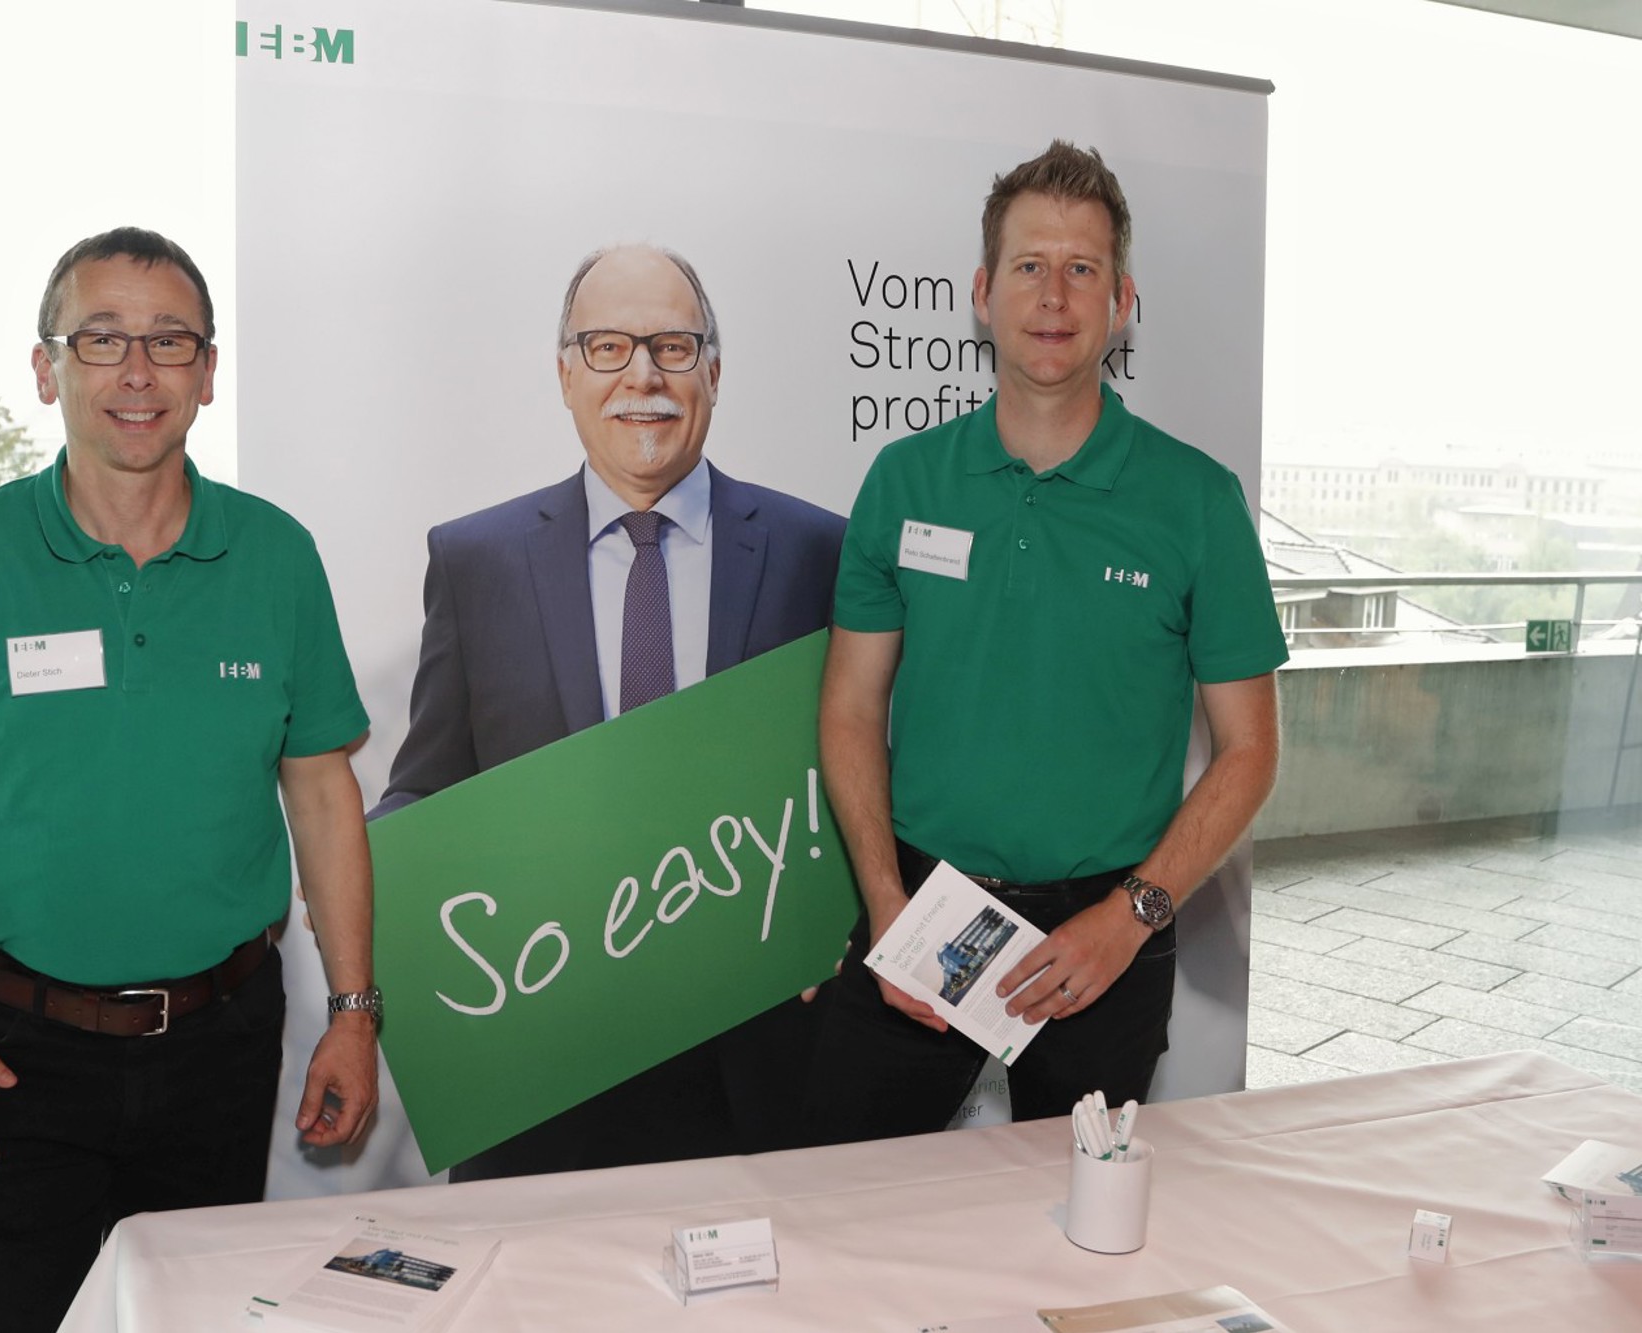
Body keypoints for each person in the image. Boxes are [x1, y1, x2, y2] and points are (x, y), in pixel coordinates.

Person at [0, 227, 380, 1332]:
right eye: (101, 339)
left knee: (199, 1320)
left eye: (169, 341)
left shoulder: (276, 558)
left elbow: (324, 795)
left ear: (207, 373)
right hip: (11, 1051)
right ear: (48, 369)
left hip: (221, 1045)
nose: (138, 370)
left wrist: (356, 1010)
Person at [806, 141, 1286, 1141]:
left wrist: (1131, 915)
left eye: (1082, 269)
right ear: (983, 294)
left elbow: (1250, 750)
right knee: (845, 1194)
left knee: (1080, 1213)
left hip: (1106, 929)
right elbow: (850, 706)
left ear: (1122, 302)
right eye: (1028, 265)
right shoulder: (903, 481)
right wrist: (885, 902)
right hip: (924, 904)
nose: (1054, 295)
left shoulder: (1197, 502)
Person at [374, 243, 845, 1179]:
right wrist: (362, 867)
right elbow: (425, 786)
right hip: (542, 1068)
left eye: (673, 346)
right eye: (607, 347)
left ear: (714, 371)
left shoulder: (817, 550)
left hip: (757, 1067)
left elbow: (863, 778)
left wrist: (847, 912)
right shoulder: (475, 562)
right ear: (565, 374)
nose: (643, 376)